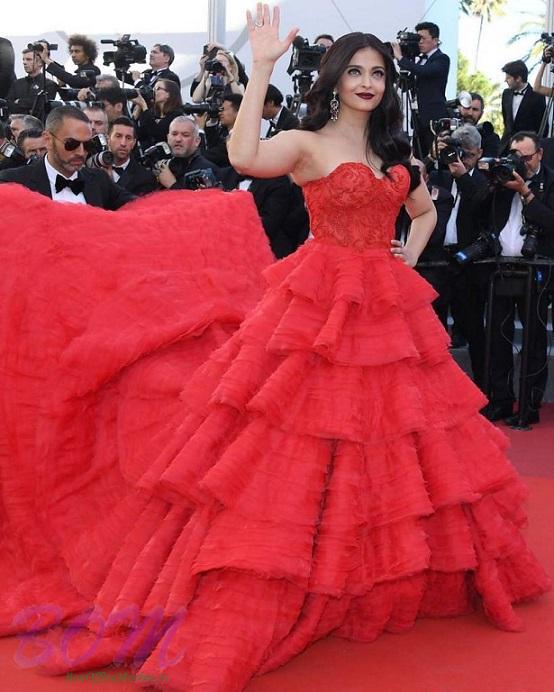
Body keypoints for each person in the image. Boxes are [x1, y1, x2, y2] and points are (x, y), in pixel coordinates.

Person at [0, 7, 549, 692]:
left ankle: (363, 570)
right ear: (336, 79)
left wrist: (404, 263)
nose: (368, 82)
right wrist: (259, 67)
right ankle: (293, 573)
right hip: (318, 304)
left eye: (378, 72)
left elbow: (425, 210)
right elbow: (241, 158)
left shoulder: (394, 155)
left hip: (384, 309)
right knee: (300, 440)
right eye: (355, 71)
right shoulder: (310, 143)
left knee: (389, 442)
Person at [477, 131, 554, 425]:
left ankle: (530, 403)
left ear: (540, 155)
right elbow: (476, 209)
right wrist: (493, 183)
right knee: (497, 337)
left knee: (533, 340)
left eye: (525, 157)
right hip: (500, 269)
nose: (518, 162)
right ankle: (501, 400)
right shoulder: (501, 178)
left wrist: (525, 190)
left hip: (536, 270)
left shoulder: (550, 180)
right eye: (514, 155)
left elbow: (550, 221)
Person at [0, 105, 134, 209]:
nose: (81, 152)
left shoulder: (99, 180)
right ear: (48, 140)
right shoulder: (13, 182)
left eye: (88, 145)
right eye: (72, 144)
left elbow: (138, 208)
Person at [391, 21, 450, 157]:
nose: (419, 42)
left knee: (435, 154)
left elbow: (424, 71)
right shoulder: (418, 60)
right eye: (418, 39)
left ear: (435, 40)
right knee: (419, 155)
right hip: (419, 118)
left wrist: (400, 58)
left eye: (423, 38)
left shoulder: (441, 59)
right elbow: (408, 83)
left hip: (433, 117)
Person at [500, 60, 545, 152]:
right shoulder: (506, 94)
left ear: (518, 78)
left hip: (526, 149)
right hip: (506, 147)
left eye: (508, 78)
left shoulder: (537, 96)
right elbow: (506, 121)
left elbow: (541, 126)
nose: (505, 80)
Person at [132, 78, 184, 149]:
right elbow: (140, 135)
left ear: (169, 94)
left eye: (158, 88)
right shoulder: (152, 114)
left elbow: (158, 134)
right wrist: (138, 109)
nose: (154, 91)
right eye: (154, 89)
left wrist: (144, 106)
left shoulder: (177, 115)